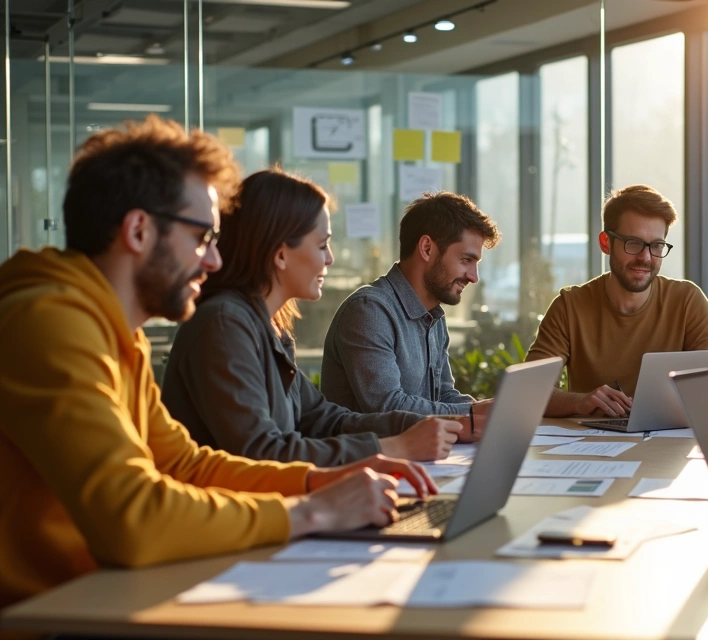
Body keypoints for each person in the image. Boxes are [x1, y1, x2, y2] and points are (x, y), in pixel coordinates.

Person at [0, 116, 435, 608]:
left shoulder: (116, 331)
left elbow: (182, 464)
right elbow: (133, 519)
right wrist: (311, 511)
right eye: (202, 238)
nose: (213, 261)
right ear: (139, 230)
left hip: (103, 595)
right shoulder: (48, 323)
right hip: (50, 616)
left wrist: (316, 481)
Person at [162, 170, 465, 465]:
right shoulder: (225, 324)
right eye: (322, 245)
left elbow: (323, 419)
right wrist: (395, 447)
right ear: (281, 254)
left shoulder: (269, 328)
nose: (330, 258)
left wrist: (427, 426)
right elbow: (262, 453)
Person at [525, 184, 708, 417]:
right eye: (633, 243)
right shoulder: (569, 306)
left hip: (667, 440)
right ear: (606, 243)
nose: (645, 258)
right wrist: (580, 402)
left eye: (656, 246)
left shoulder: (687, 302)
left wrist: (654, 410)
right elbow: (528, 392)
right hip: (590, 441)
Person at [322, 192, 499, 421]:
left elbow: (443, 396)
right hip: (372, 446)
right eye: (466, 260)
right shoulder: (369, 311)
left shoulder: (433, 317)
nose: (474, 277)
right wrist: (473, 413)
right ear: (426, 248)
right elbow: (388, 407)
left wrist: (488, 410)